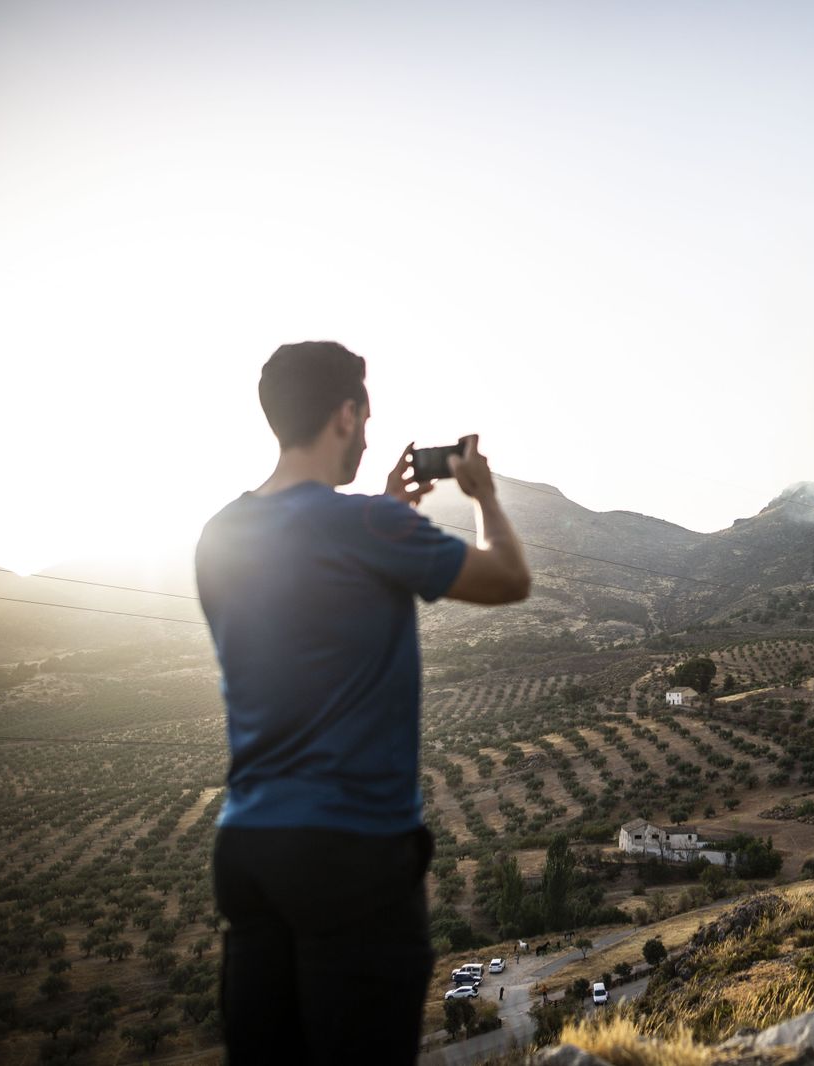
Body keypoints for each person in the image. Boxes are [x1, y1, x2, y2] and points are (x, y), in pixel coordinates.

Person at [195, 341, 530, 1064]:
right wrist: (483, 496)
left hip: (249, 848)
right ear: (345, 415)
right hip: (352, 852)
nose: (370, 437)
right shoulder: (369, 527)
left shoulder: (218, 533)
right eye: (367, 419)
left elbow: (311, 591)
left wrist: (383, 511)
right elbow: (508, 577)